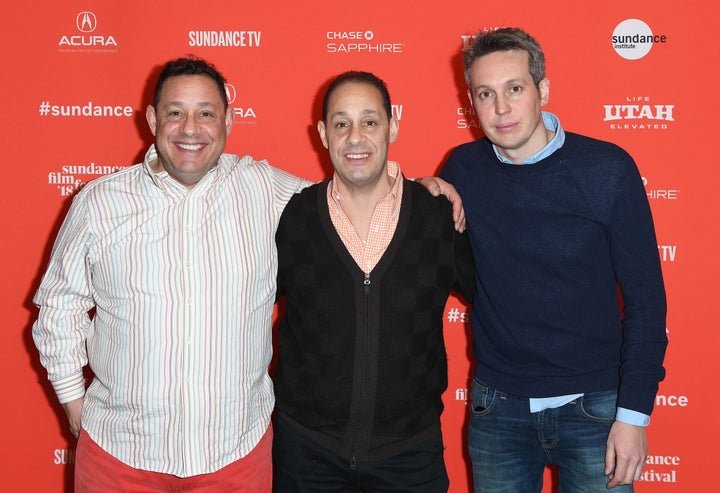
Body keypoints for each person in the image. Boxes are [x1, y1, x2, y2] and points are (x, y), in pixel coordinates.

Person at [32, 57, 464, 492]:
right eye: (175, 112)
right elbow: (58, 306)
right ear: (151, 119)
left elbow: (350, 190)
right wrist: (73, 402)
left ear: (229, 121)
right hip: (120, 457)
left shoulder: (263, 188)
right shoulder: (99, 204)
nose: (190, 128)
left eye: (206, 113)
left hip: (235, 460)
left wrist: (418, 190)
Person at [439, 28, 667, 492]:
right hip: (497, 407)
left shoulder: (606, 169)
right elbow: (463, 274)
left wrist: (633, 416)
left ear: (543, 90)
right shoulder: (462, 169)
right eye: (486, 94)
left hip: (598, 409)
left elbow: (647, 300)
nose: (500, 108)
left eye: (515, 89)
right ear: (471, 101)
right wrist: (427, 194)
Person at [272, 71, 475, 492]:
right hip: (306, 455)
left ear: (393, 126)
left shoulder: (437, 216)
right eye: (342, 123)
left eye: (370, 121)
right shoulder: (292, 218)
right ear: (324, 134)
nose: (356, 136)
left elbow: (495, 294)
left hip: (410, 457)